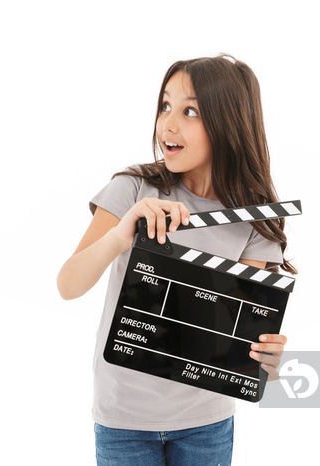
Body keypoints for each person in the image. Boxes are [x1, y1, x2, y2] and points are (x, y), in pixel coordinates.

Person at [57, 54, 295, 465]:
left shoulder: (254, 219)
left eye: (190, 111)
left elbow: (235, 335)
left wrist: (261, 361)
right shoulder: (132, 188)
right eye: (165, 105)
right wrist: (122, 233)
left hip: (206, 420)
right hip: (123, 418)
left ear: (228, 124)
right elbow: (68, 285)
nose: (168, 123)